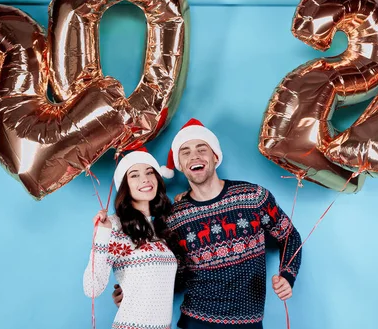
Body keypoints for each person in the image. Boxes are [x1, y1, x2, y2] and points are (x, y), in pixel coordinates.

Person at [113, 118, 303, 329]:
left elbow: (289, 236)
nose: (194, 155)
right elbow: (169, 275)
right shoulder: (173, 219)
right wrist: (133, 291)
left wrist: (287, 275)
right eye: (185, 152)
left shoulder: (253, 196)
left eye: (201, 149)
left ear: (215, 156)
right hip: (196, 321)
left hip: (249, 322)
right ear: (180, 165)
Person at [83, 147, 180, 329]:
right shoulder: (113, 226)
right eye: (134, 175)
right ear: (124, 185)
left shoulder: (160, 227)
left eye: (149, 172)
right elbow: (92, 289)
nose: (145, 179)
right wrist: (102, 236)